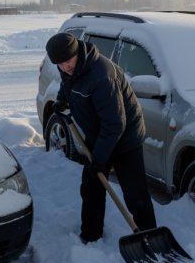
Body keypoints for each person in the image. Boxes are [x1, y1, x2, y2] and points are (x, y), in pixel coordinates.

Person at [46, 32, 157, 243]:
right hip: (99, 134)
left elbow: (115, 124)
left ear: (77, 52)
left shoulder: (100, 75)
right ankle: (91, 235)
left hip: (125, 137)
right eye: (59, 64)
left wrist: (99, 159)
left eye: (68, 62)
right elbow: (67, 84)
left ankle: (150, 238)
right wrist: (62, 100)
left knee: (135, 196)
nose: (65, 68)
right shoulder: (70, 67)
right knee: (91, 187)